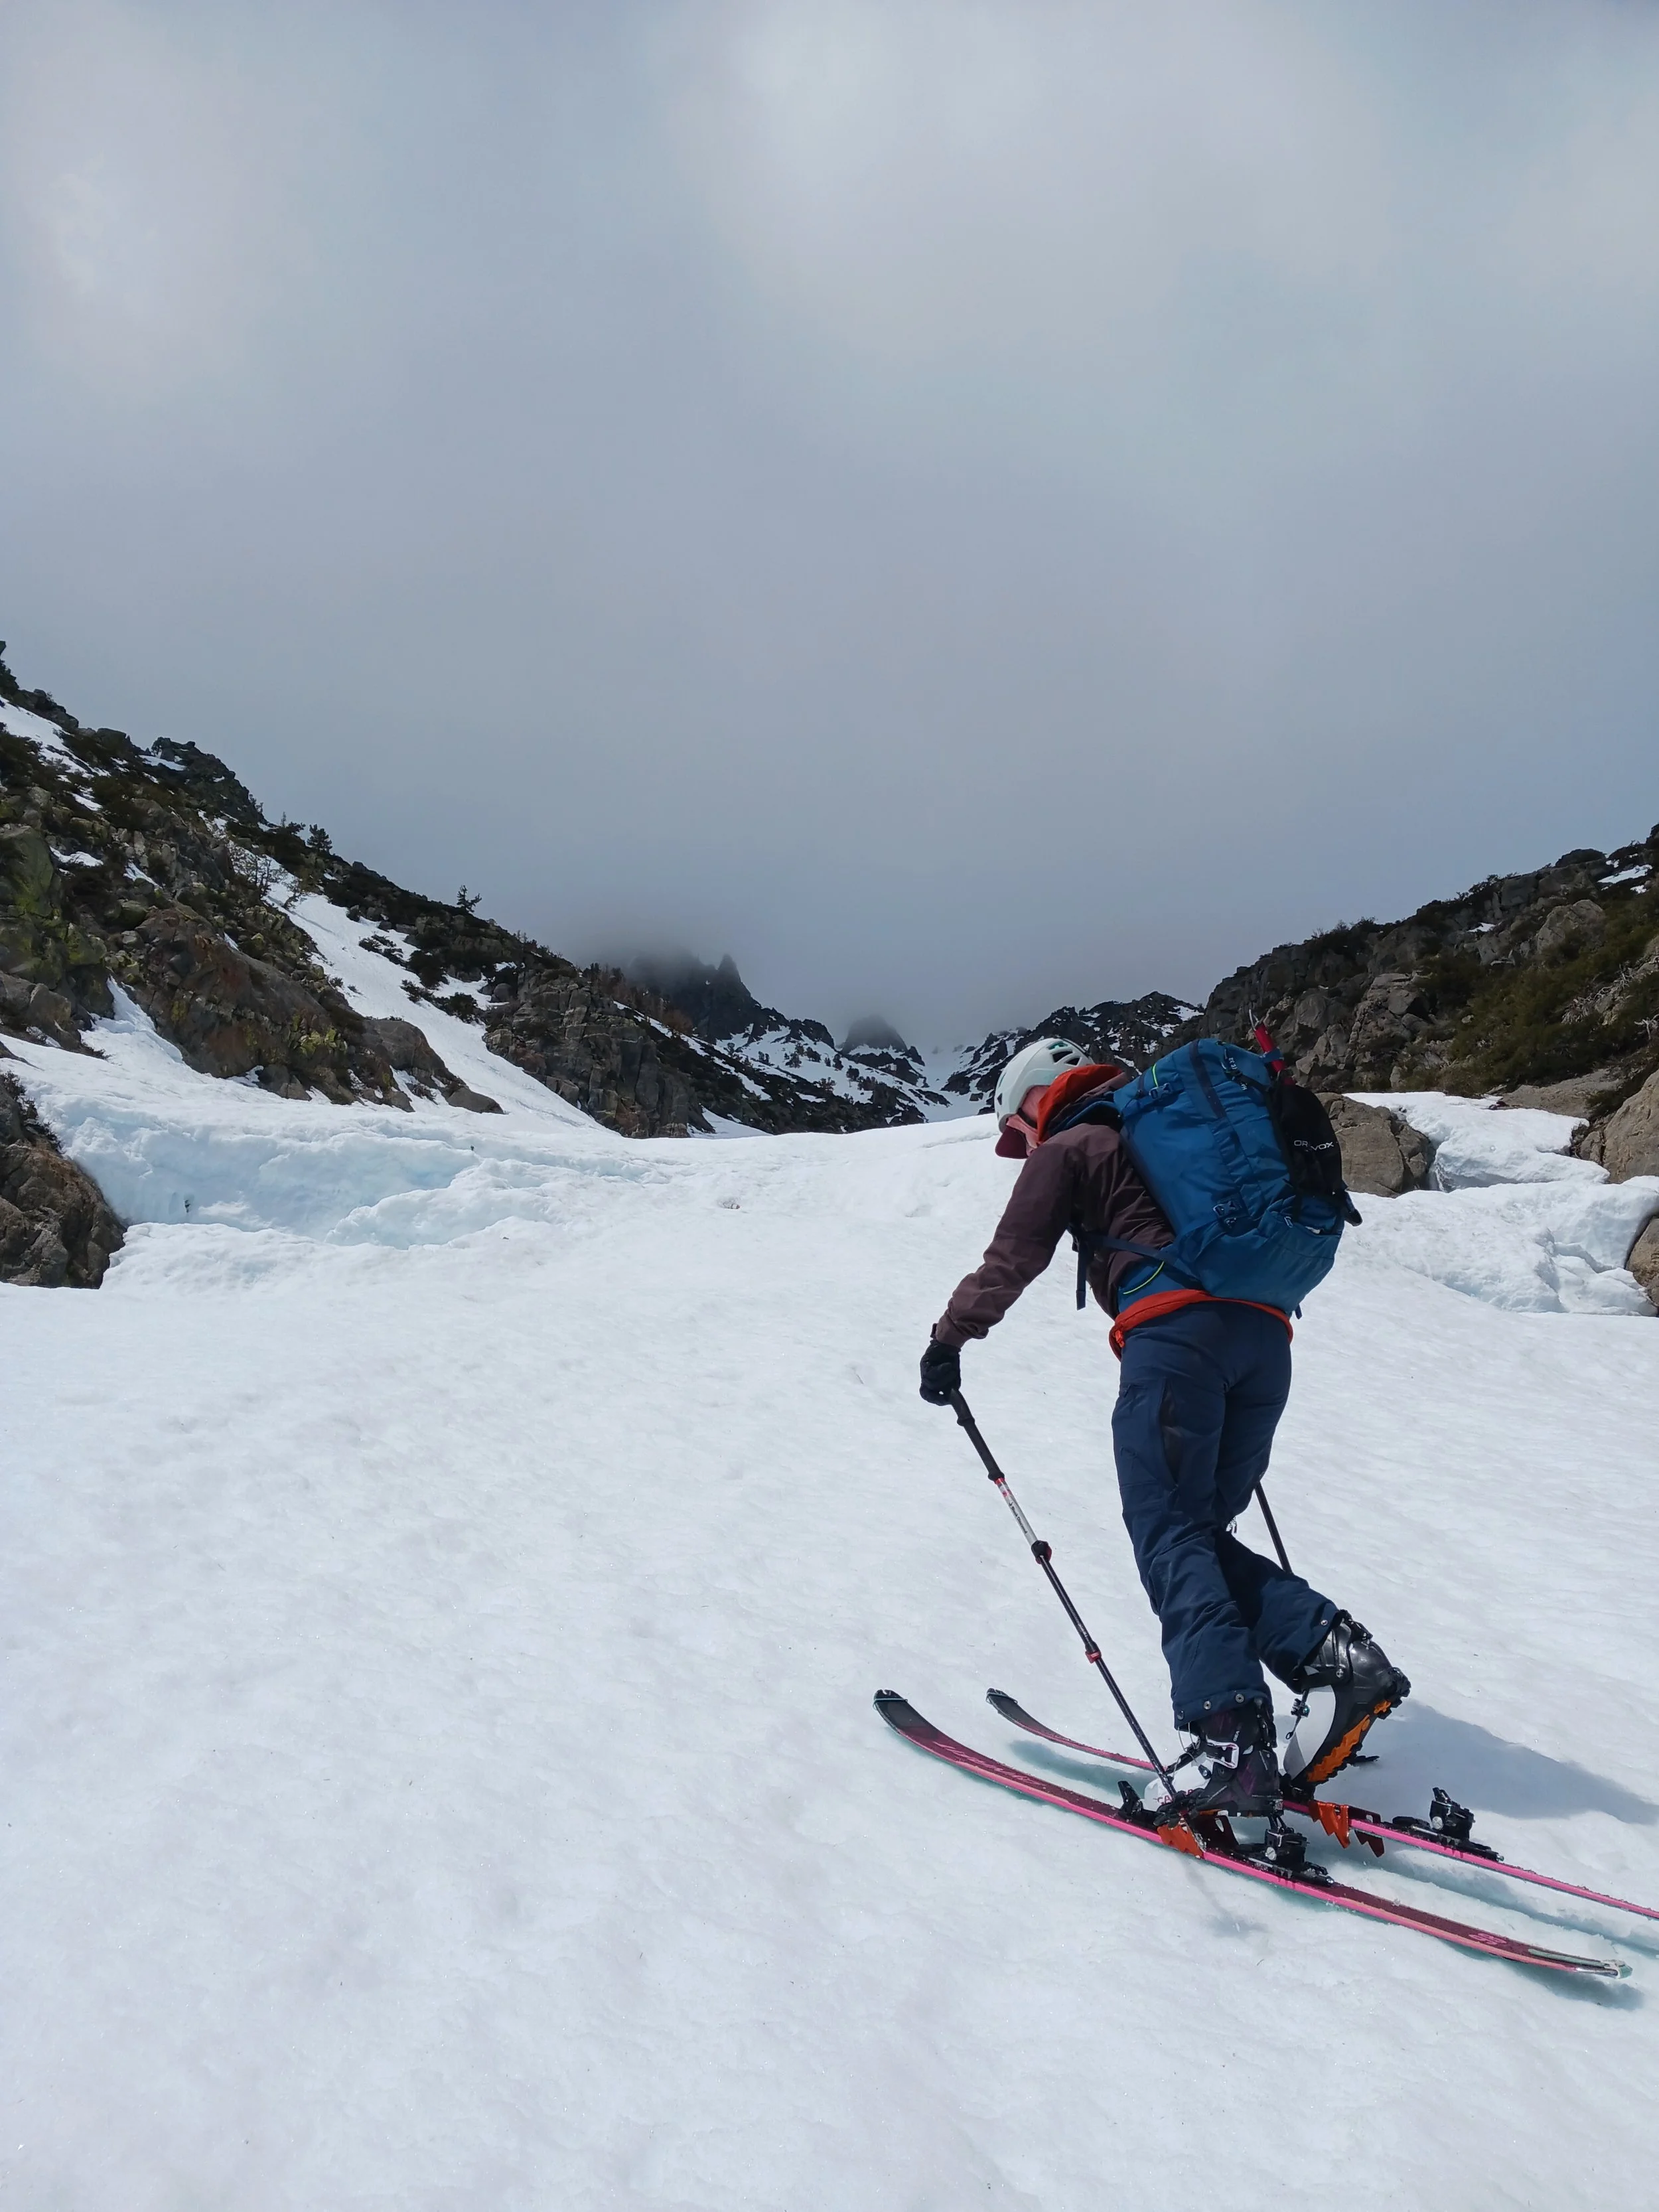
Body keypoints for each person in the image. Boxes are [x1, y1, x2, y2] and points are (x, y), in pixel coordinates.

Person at [918, 1038, 1409, 1818]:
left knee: (1170, 1533)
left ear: (1039, 1097)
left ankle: (1227, 1742)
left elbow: (1012, 1257)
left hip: (1177, 1345)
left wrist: (947, 1341)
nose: (1023, 1143)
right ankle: (1333, 1654)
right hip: (1264, 1342)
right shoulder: (1161, 1134)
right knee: (1197, 1532)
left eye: (1019, 1127)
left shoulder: (1075, 1144)